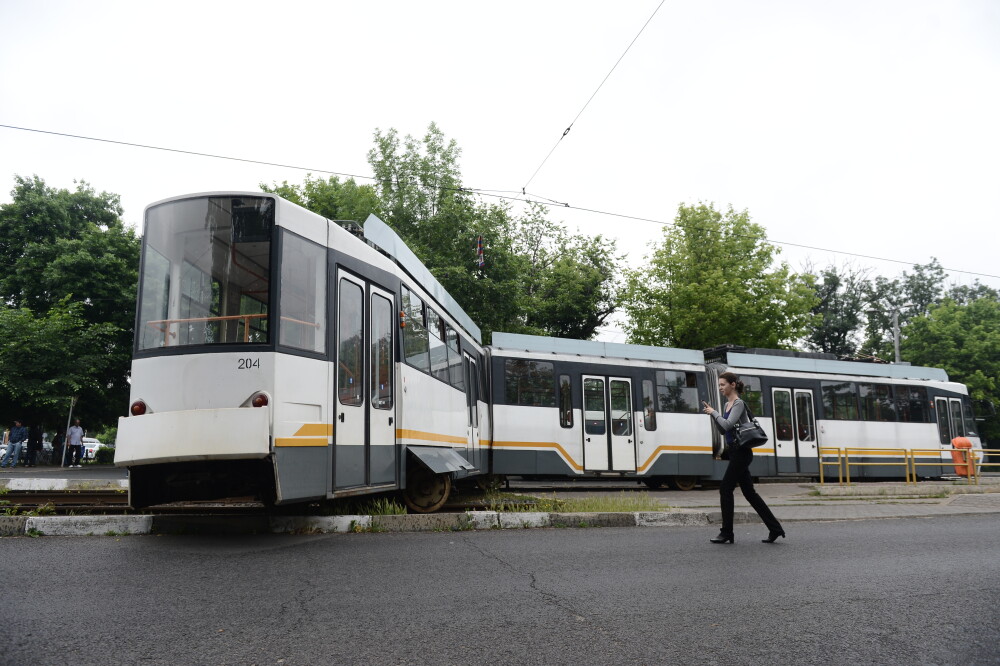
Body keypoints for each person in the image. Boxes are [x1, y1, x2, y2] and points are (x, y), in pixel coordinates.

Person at [702, 372, 785, 544]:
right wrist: (714, 415)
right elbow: (723, 430)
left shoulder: (738, 403)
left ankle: (726, 532)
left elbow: (727, 424)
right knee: (750, 493)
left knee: (725, 489)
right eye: (719, 385)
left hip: (742, 453)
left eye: (723, 384)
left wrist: (714, 412)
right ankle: (775, 529)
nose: (720, 387)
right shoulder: (727, 405)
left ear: (733, 385)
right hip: (734, 452)